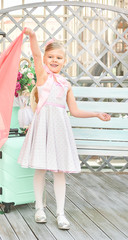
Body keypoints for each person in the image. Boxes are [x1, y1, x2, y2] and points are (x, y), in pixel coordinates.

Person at [18, 28, 111, 230]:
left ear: (64, 61)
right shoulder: (42, 76)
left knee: (60, 172)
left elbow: (75, 111)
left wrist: (96, 113)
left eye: (59, 57)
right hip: (43, 128)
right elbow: (34, 53)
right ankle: (39, 208)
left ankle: (60, 212)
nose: (54, 60)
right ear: (44, 58)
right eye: (50, 56)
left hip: (59, 131)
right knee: (41, 169)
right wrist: (32, 37)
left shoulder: (66, 84)